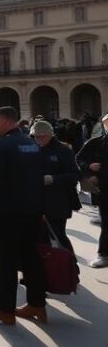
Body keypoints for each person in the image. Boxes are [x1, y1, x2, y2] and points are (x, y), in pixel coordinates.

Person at [0, 107, 47, 325]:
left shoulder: (1, 147)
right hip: (32, 212)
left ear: (5, 121)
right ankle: (36, 304)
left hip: (8, 214)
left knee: (6, 262)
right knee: (31, 258)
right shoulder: (31, 144)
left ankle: (4, 310)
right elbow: (38, 179)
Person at [32, 119, 80, 259]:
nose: (39, 139)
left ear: (50, 135)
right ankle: (45, 271)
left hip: (57, 202)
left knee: (58, 236)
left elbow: (74, 175)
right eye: (36, 137)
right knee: (39, 239)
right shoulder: (33, 149)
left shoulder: (63, 151)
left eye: (42, 136)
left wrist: (54, 179)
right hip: (37, 201)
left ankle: (71, 269)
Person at [75, 113, 108, 268]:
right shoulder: (95, 143)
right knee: (107, 223)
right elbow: (79, 159)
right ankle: (104, 254)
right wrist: (89, 168)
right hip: (104, 190)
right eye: (107, 124)